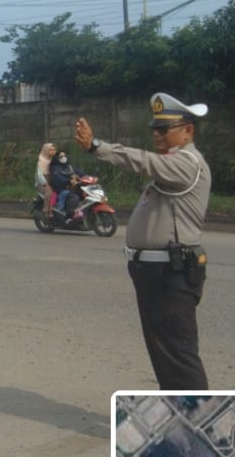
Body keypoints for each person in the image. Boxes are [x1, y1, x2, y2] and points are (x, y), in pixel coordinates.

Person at [74, 93, 212, 390]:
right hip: (156, 272)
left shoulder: (187, 163)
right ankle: (177, 406)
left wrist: (97, 147)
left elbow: (142, 161)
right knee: (164, 353)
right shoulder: (172, 164)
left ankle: (196, 410)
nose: (156, 134)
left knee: (178, 354)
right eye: (154, 129)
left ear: (188, 130)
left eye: (164, 129)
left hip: (171, 273)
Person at [48, 149, 81, 220]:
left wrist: (88, 176)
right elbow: (58, 179)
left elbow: (78, 172)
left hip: (71, 187)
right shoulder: (54, 168)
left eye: (64, 156)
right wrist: (69, 181)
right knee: (73, 197)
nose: (64, 158)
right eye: (61, 157)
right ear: (57, 158)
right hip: (60, 189)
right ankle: (69, 214)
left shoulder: (68, 166)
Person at [34, 142, 56, 214]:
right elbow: (39, 175)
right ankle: (46, 210)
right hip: (42, 182)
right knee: (49, 192)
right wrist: (45, 183)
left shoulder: (53, 160)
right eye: (51, 150)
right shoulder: (41, 160)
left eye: (54, 150)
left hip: (51, 180)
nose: (53, 151)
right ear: (46, 150)